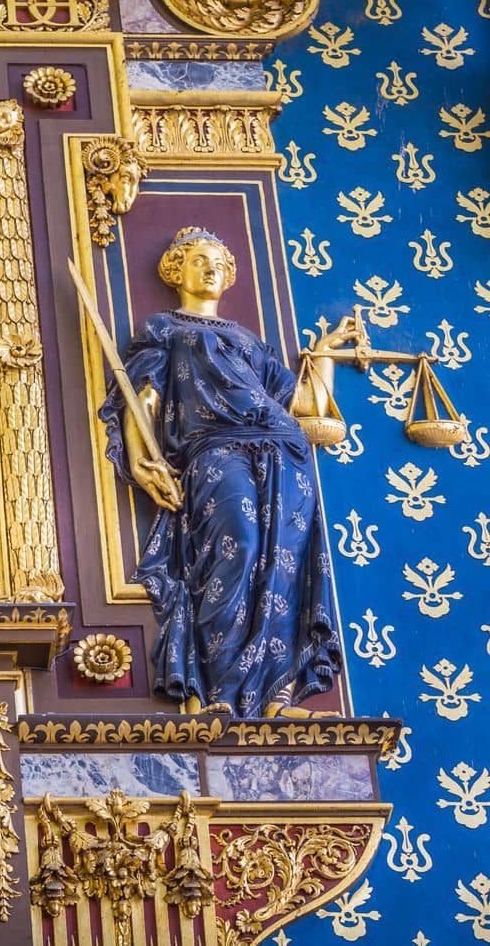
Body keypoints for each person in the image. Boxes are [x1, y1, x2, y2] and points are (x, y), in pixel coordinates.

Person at [98, 226, 356, 717]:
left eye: (217, 260)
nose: (210, 267)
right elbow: (144, 396)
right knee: (235, 551)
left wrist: (324, 354)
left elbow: (303, 402)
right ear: (178, 271)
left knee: (283, 567)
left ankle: (274, 698)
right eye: (198, 259)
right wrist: (138, 456)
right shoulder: (165, 329)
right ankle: (222, 691)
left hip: (286, 452)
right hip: (215, 449)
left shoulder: (248, 340)